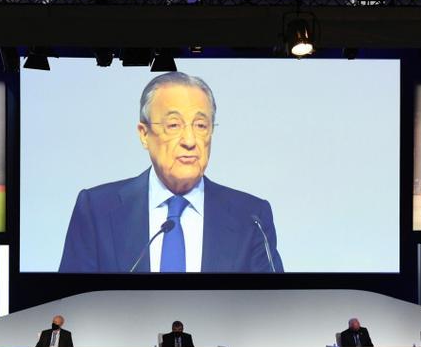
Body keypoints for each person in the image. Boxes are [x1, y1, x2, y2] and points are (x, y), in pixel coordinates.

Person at [58, 71, 283, 273]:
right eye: (174, 125)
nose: (189, 140)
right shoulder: (96, 210)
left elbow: (273, 306)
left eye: (201, 125)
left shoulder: (251, 217)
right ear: (144, 134)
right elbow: (72, 302)